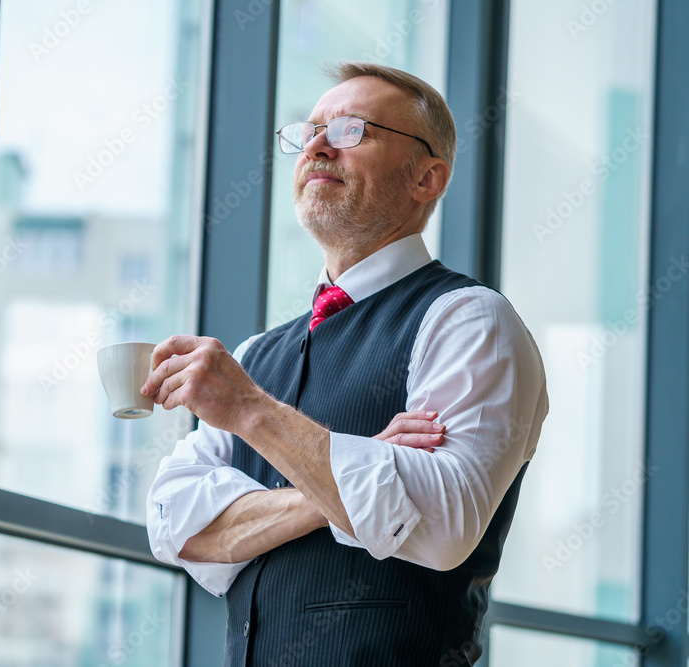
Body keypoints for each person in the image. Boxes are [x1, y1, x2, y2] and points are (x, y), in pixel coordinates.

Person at [142, 61, 549, 666]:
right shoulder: (256, 354)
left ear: (427, 178)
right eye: (308, 133)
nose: (318, 147)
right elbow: (179, 529)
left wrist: (254, 415)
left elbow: (440, 527)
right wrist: (347, 478)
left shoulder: (468, 319)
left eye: (352, 130)